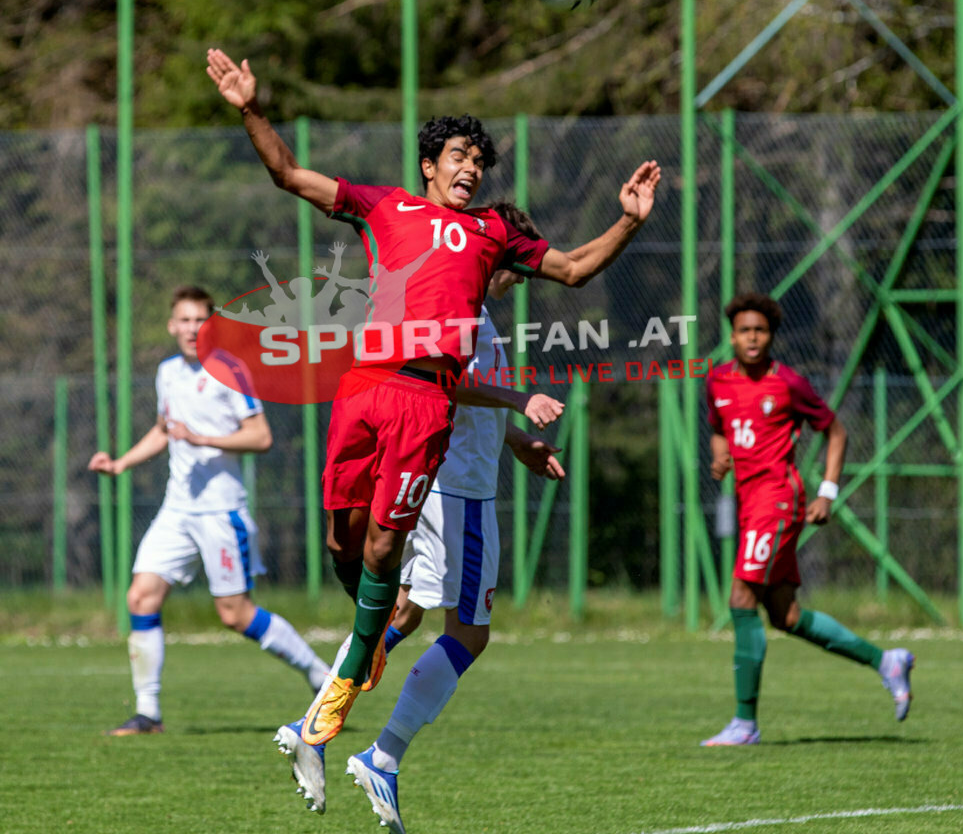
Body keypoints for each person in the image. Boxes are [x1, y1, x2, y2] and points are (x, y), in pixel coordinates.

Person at [205, 48, 661, 807]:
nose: (471, 167)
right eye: (459, 155)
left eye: (480, 159)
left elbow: (576, 269)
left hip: (426, 403)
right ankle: (333, 709)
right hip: (363, 385)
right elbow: (289, 175)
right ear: (427, 165)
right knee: (343, 546)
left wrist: (627, 221)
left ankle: (333, 711)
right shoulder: (385, 207)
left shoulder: (491, 235)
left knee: (390, 560)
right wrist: (250, 109)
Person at [327, 204, 563, 834]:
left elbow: (456, 394)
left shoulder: (464, 312)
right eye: (518, 259)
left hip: (446, 481)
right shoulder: (468, 315)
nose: (521, 272)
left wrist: (516, 441)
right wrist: (520, 403)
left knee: (403, 611)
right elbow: (449, 385)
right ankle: (382, 756)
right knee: (469, 633)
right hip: (459, 491)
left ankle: (314, 723)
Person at [88, 285, 330, 736]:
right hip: (177, 510)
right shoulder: (167, 373)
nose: (191, 329)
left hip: (222, 513)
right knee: (140, 596)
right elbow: (165, 429)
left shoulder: (231, 371)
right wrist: (121, 462)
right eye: (184, 320)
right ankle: (148, 713)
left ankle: (320, 674)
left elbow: (260, 437)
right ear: (171, 325)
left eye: (200, 320)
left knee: (235, 614)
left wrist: (203, 438)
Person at [701, 291, 914, 747]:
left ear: (771, 336)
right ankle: (886, 661)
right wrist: (720, 459)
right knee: (785, 615)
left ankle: (744, 723)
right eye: (744, 331)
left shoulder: (788, 384)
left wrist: (828, 493)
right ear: (732, 336)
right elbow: (719, 430)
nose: (752, 338)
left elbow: (836, 431)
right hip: (748, 502)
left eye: (760, 330)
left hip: (778, 499)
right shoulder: (717, 381)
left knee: (741, 597)